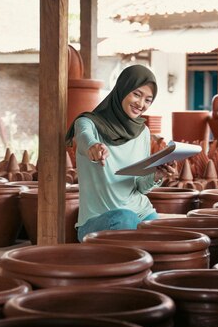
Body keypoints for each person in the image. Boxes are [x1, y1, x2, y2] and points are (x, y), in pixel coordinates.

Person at [65, 64, 172, 242]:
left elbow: (140, 186)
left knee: (165, 238)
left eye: (148, 100)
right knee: (125, 218)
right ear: (122, 89)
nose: (141, 104)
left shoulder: (143, 132)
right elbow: (84, 138)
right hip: (97, 222)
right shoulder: (88, 122)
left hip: (142, 213)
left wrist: (157, 174)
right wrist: (93, 147)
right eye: (137, 94)